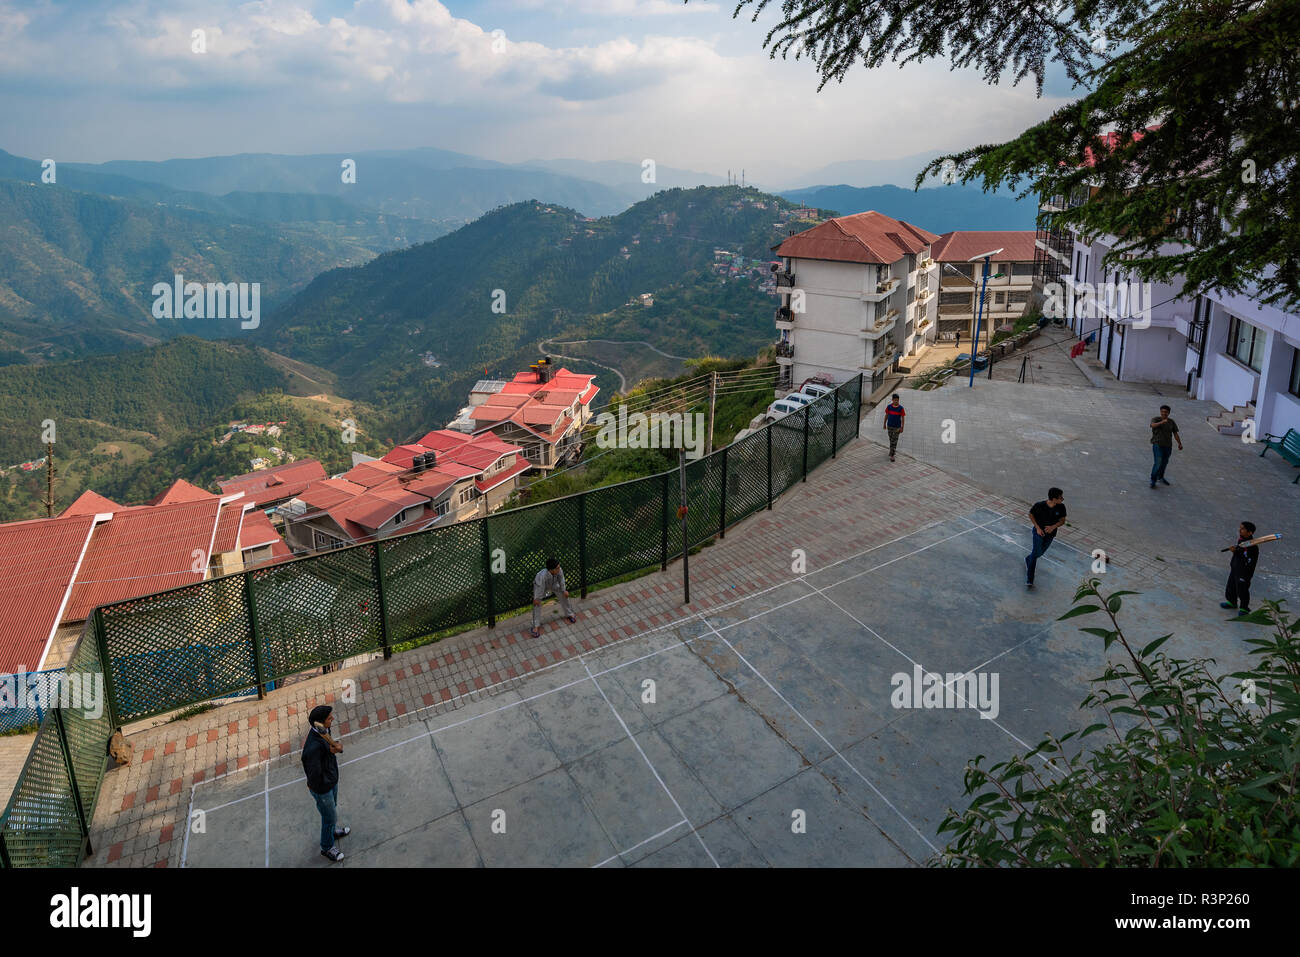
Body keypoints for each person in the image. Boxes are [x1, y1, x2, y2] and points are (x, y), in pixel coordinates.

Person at [301, 704, 349, 862]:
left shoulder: (323, 730)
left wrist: (332, 750)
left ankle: (332, 832)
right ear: (320, 722)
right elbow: (313, 774)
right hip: (323, 788)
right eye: (330, 718)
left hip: (331, 779)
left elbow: (327, 748)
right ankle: (327, 847)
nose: (332, 719)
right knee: (329, 817)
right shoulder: (312, 748)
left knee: (332, 812)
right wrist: (320, 787)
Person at [1025, 487, 1067, 588]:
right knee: (1035, 554)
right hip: (1038, 533)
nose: (1062, 499)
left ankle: (1028, 559)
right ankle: (1030, 579)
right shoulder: (1039, 505)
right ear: (1053, 499)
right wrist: (1038, 528)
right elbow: (1031, 514)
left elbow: (1062, 521)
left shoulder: (1061, 507)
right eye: (1060, 497)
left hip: (1050, 535)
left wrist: (1053, 527)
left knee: (1039, 553)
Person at [1220, 521, 1259, 616]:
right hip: (1235, 569)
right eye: (1240, 528)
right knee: (1231, 586)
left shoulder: (1253, 547)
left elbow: (1247, 559)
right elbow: (1239, 552)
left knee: (1242, 590)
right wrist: (1235, 551)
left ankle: (1244, 608)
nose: (1240, 530)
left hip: (1244, 572)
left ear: (1250, 533)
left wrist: (1236, 552)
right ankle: (1232, 602)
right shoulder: (1241, 541)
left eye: (1242, 529)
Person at [531, 557, 576, 638]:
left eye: (559, 567)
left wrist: (564, 590)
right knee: (537, 604)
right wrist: (537, 598)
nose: (559, 569)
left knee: (564, 595)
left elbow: (561, 580)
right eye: (557, 568)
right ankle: (535, 626)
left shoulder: (559, 570)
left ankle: (570, 614)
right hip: (542, 588)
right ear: (551, 570)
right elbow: (539, 588)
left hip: (554, 585)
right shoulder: (541, 576)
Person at [1149, 404, 1183, 488]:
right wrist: (1162, 422)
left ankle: (1160, 477)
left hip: (1168, 446)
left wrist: (1179, 443)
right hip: (1157, 445)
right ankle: (1153, 480)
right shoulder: (1156, 419)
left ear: (1169, 413)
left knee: (1164, 463)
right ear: (1160, 412)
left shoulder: (1171, 422)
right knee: (1158, 462)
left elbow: (1175, 433)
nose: (1164, 413)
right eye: (1162, 411)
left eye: (1166, 412)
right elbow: (1152, 425)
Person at [883, 393, 906, 462]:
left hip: (897, 428)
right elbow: (886, 415)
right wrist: (884, 424)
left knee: (894, 441)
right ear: (892, 400)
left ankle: (892, 455)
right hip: (889, 426)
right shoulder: (889, 407)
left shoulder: (901, 408)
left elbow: (902, 418)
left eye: (897, 400)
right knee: (891, 439)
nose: (896, 401)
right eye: (895, 400)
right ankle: (892, 450)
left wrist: (902, 427)